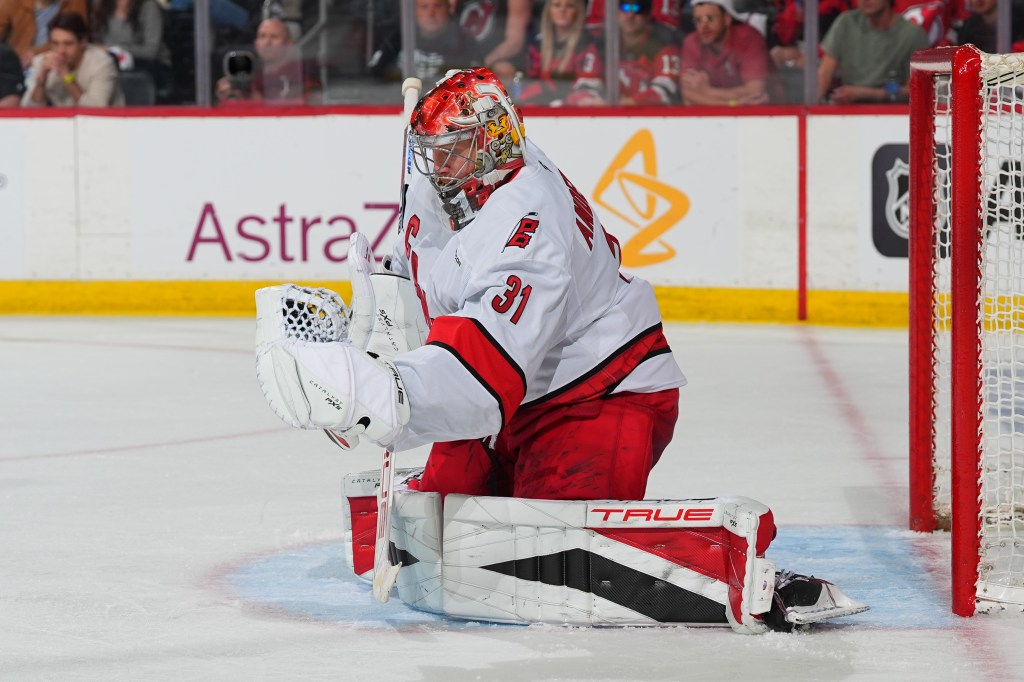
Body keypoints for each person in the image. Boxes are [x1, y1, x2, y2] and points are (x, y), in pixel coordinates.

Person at [254, 68, 870, 633]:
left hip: (601, 392)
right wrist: (386, 305)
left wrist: (379, 393)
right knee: (444, 513)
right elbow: (437, 276)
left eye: (452, 148)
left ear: (493, 142)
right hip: (520, 393)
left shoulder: (529, 226)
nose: (437, 163)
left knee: (542, 552)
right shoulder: (455, 179)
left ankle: (750, 577)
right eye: (431, 151)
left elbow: (483, 373)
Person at [817, 0, 929, 103]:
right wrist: (813, 108)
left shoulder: (913, 34)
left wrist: (866, 93)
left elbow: (919, 89)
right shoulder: (846, 22)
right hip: (848, 112)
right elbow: (825, 72)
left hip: (893, 114)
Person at [573, 0, 681, 106]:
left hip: (650, 118)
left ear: (648, 14)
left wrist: (631, 103)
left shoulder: (663, 44)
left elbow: (667, 88)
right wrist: (591, 101)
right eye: (624, 7)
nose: (630, 15)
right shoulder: (601, 44)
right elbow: (585, 85)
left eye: (638, 9)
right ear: (616, 12)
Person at [679, 0, 777, 106]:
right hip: (717, 115)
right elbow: (687, 95)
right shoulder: (692, 43)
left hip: (771, 115)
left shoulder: (749, 38)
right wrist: (733, 103)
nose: (704, 26)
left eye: (710, 19)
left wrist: (707, 91)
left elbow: (755, 92)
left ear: (726, 19)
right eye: (698, 20)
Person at [22, 11, 124, 106]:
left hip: (105, 124)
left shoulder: (102, 64)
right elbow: (28, 111)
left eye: (68, 44)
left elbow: (96, 112)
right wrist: (41, 81)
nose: (60, 51)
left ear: (83, 42)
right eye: (55, 44)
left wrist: (67, 77)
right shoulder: (42, 62)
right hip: (59, 123)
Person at [367, 0, 479, 82]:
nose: (431, 14)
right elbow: (374, 78)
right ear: (414, 11)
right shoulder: (397, 39)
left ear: (448, 9)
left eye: (437, 6)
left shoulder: (464, 43)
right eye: (424, 7)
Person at [215, 17, 320, 104]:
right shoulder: (251, 75)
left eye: (274, 37)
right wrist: (230, 96)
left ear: (289, 44)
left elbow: (310, 103)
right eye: (262, 36)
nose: (267, 42)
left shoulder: (302, 72)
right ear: (256, 44)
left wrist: (260, 102)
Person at [517, 0, 601, 106]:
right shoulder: (537, 45)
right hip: (542, 109)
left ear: (578, 12)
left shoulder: (587, 45)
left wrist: (562, 102)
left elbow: (587, 89)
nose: (562, 10)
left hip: (573, 112)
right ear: (549, 11)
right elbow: (528, 86)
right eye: (557, 5)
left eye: (569, 6)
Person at [90, 0, 172, 102]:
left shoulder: (148, 6)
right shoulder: (102, 6)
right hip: (111, 64)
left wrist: (115, 49)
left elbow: (151, 51)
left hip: (149, 66)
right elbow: (98, 45)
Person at [455, 0, 532, 81]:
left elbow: (514, 43)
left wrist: (483, 64)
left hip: (496, 60)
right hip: (461, 56)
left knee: (503, 69)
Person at [0, 0, 88, 68]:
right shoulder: (12, 2)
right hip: (21, 66)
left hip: (62, 63)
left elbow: (78, 35)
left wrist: (36, 53)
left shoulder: (73, 2)